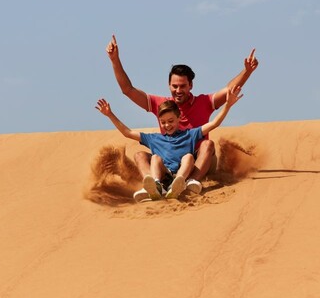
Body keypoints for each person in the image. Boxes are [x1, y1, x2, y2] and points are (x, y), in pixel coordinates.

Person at [106, 34, 258, 200]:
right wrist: (115, 60)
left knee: (207, 144)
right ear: (169, 85)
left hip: (198, 161)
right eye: (175, 86)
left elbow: (229, 90)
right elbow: (128, 90)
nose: (178, 90)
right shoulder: (162, 105)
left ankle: (192, 183)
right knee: (141, 155)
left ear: (190, 85)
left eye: (183, 86)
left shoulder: (204, 102)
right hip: (167, 161)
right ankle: (153, 186)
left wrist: (247, 72)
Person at [95, 85, 243, 201]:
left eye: (171, 121)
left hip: (184, 172)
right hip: (164, 173)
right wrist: (110, 115)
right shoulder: (155, 138)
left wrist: (227, 106)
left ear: (179, 119)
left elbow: (214, 123)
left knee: (188, 157)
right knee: (150, 157)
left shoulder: (190, 134)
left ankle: (180, 183)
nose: (167, 125)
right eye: (163, 122)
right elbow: (127, 132)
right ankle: (155, 186)